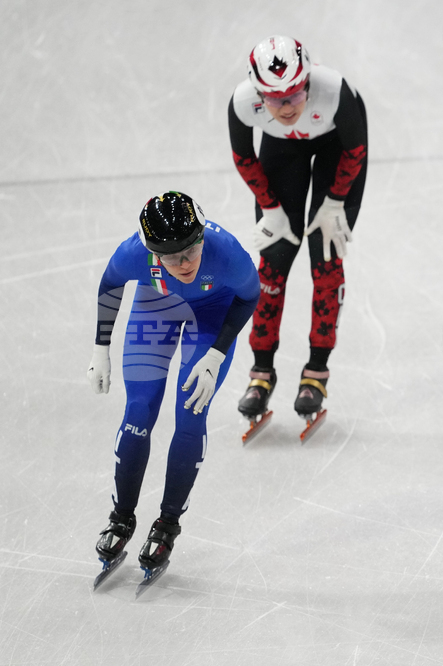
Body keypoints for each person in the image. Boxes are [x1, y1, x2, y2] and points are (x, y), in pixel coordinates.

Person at [87, 191, 259, 574]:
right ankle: (121, 518)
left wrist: (216, 353)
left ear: (201, 239)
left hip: (212, 315)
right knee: (138, 409)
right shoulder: (133, 253)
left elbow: (250, 297)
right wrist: (101, 348)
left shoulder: (227, 253)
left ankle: (167, 524)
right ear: (151, 252)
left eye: (190, 253)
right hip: (156, 307)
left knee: (190, 412)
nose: (183, 264)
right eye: (170, 257)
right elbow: (110, 285)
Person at [228, 35, 368, 428]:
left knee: (325, 256)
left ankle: (316, 373)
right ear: (257, 93)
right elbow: (243, 157)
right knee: (273, 262)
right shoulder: (242, 102)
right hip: (282, 149)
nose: (285, 108)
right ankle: (261, 372)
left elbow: (355, 152)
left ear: (307, 82)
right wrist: (270, 208)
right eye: (273, 100)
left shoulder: (334, 90)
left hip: (337, 149)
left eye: (293, 96)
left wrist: (336, 200)